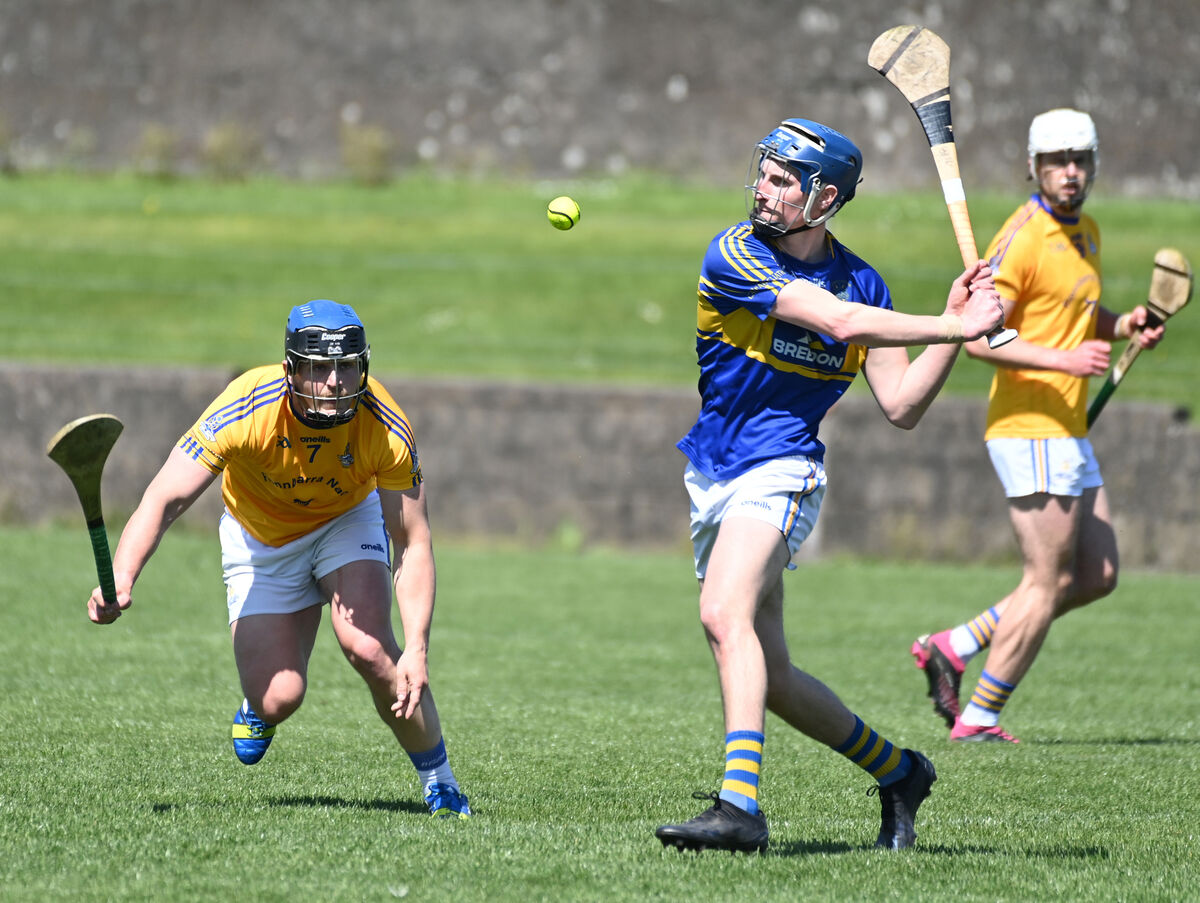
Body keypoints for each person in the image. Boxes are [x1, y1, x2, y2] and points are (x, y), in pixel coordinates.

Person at [653, 118, 1006, 854]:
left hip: (783, 468)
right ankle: (900, 771)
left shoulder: (864, 281)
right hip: (714, 468)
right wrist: (951, 322)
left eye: (784, 180)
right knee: (772, 676)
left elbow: (902, 404)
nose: (763, 186)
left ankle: (740, 807)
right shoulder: (735, 254)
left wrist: (959, 337)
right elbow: (838, 322)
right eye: (765, 172)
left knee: (722, 615)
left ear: (826, 198)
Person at [86, 299, 471, 818]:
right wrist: (123, 578)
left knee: (372, 650)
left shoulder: (385, 426)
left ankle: (440, 782)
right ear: (291, 369)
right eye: (319, 367)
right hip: (258, 537)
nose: (335, 381)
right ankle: (258, 708)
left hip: (344, 522)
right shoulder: (246, 406)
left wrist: (418, 648)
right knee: (279, 697)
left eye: (347, 366)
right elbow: (164, 499)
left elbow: (414, 541)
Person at [909, 108, 1165, 743]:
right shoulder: (1021, 236)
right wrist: (1067, 360)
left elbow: (1072, 310)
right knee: (1045, 581)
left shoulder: (1087, 233)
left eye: (1080, 159)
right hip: (1029, 425)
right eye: (1057, 161)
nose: (1070, 172)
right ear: (1034, 167)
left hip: (1068, 422)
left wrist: (1122, 324)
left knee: (1097, 574)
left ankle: (955, 642)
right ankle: (979, 719)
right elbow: (980, 340)